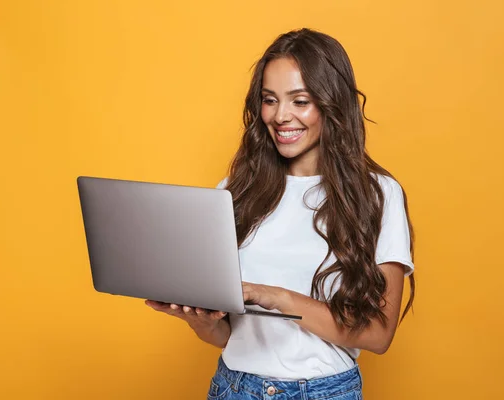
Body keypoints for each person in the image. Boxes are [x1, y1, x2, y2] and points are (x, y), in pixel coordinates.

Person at [145, 28, 416, 399]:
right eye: (270, 100)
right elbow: (228, 337)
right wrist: (198, 320)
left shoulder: (377, 194)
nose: (281, 116)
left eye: (300, 101)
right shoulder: (232, 191)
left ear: (331, 105)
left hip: (323, 392)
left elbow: (379, 334)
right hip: (234, 386)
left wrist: (278, 297)